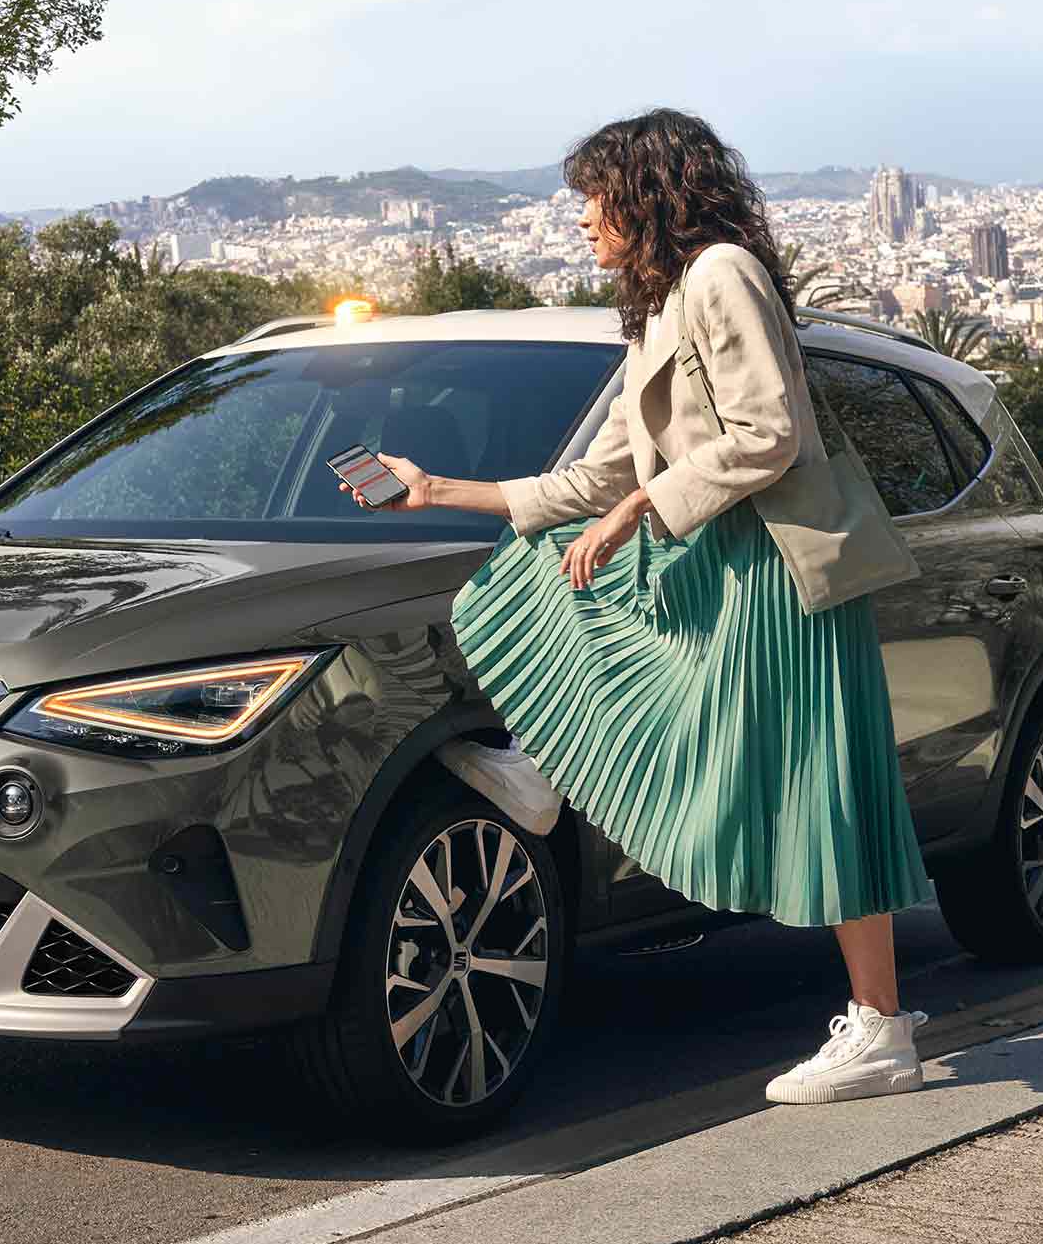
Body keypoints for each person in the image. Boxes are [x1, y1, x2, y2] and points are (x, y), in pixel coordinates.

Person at [348, 109, 933, 1105]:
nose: (580, 218)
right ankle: (549, 766)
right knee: (536, 560)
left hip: (775, 570)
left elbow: (771, 435)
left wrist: (634, 511)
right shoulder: (662, 308)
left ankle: (878, 1029)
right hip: (718, 568)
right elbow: (600, 470)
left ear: (646, 193)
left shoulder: (722, 274)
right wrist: (435, 488)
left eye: (592, 196)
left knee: (821, 793)